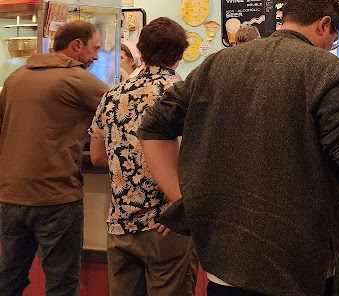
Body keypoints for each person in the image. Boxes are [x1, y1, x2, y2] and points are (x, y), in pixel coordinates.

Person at [138, 0, 339, 296]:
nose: (331, 45)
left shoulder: (215, 64)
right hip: (301, 265)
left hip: (226, 264)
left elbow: (153, 127)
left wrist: (188, 201)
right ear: (323, 24)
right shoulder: (325, 68)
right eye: (334, 38)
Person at [90, 17, 197, 296]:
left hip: (121, 223)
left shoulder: (112, 96)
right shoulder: (185, 95)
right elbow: (196, 158)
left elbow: (97, 157)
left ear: (140, 50)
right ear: (181, 54)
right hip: (167, 225)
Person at [0, 20, 108, 296]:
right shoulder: (77, 79)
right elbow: (123, 113)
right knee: (61, 284)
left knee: (8, 280)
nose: (96, 56)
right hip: (56, 196)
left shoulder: (15, 78)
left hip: (11, 196)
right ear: (76, 45)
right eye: (94, 49)